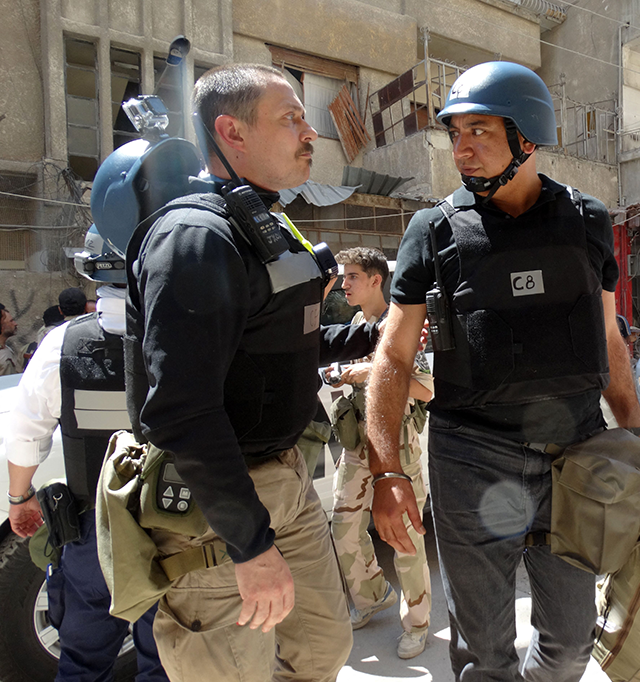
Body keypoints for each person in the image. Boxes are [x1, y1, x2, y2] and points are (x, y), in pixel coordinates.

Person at [364, 61, 640, 682]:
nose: (461, 150)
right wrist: (387, 471)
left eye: (480, 132)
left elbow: (609, 338)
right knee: (483, 653)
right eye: (455, 134)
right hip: (469, 455)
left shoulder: (587, 220)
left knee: (574, 644)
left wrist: (637, 436)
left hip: (572, 453)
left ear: (527, 137)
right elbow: (392, 356)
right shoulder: (433, 230)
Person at [121, 64, 378, 682]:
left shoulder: (265, 220)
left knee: (321, 649)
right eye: (291, 118)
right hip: (217, 504)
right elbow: (180, 408)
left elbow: (276, 342)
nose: (310, 131)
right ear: (231, 131)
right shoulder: (196, 237)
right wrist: (249, 543)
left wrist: (376, 335)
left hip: (287, 479)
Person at [5, 229, 168, 682]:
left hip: (92, 533)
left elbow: (24, 434)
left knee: (81, 661)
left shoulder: (63, 344)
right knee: (166, 660)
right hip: (170, 532)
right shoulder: (184, 340)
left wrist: (20, 501)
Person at [329, 247, 434, 659]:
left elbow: (426, 388)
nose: (344, 284)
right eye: (343, 276)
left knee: (405, 539)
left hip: (398, 449)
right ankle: (373, 595)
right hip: (357, 445)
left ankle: (419, 622)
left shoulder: (405, 324)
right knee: (342, 528)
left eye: (352, 276)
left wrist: (365, 371)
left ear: (376, 279)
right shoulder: (357, 324)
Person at [0, 302, 20, 375]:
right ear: (2, 326)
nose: (15, 324)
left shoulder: (6, 349)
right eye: (11, 321)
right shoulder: (3, 357)